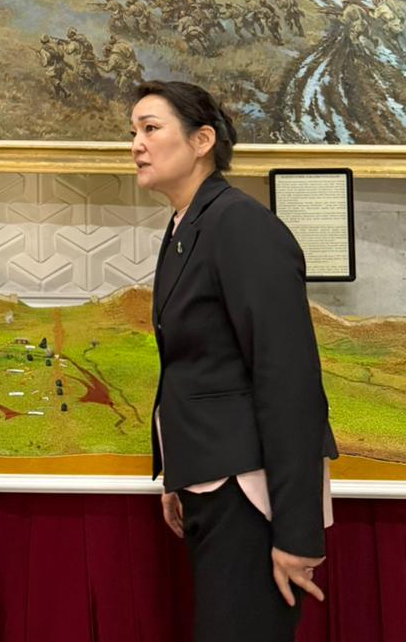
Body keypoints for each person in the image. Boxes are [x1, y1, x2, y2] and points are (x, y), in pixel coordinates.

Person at [130, 80, 336, 642]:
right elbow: (200, 368)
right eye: (134, 132)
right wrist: (179, 475)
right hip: (211, 484)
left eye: (151, 128)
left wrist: (297, 534)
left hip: (250, 495)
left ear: (202, 141)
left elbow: (288, 380)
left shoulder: (240, 224)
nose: (136, 144)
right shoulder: (187, 224)